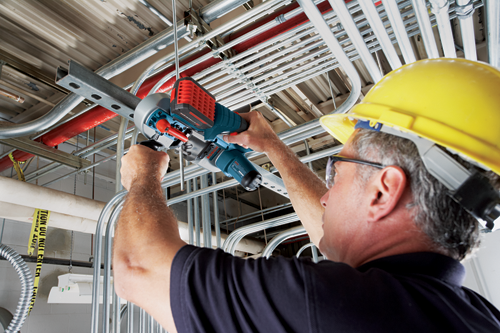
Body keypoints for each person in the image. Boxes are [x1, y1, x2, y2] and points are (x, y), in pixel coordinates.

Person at [113, 59, 500, 332]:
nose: (327, 197)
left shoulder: (330, 303)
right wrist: (273, 148)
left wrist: (142, 176)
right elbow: (335, 235)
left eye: (337, 171)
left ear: (384, 191)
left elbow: (137, 267)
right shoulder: (475, 316)